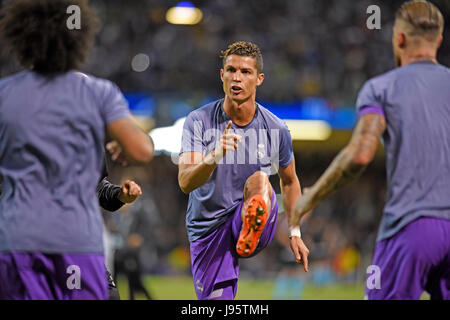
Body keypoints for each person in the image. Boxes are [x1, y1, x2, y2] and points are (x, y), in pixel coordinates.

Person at [291, 0, 450, 300]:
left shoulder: (382, 88)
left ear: (399, 38)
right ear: (438, 41)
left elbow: (360, 153)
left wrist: (309, 198)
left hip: (412, 225)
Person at [0, 0, 153, 300]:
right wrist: (119, 139)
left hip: (17, 240)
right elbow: (142, 150)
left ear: (21, 40)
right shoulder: (96, 93)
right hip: (75, 241)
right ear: (77, 41)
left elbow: (100, 189)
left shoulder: (5, 95)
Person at [178, 41, 310, 300]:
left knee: (261, 180)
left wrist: (295, 232)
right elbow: (185, 182)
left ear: (259, 79)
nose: (237, 78)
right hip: (208, 226)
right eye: (231, 70)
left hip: (248, 216)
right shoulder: (198, 121)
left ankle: (252, 222)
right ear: (222, 75)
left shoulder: (276, 128)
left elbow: (290, 181)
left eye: (246, 72)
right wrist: (214, 156)